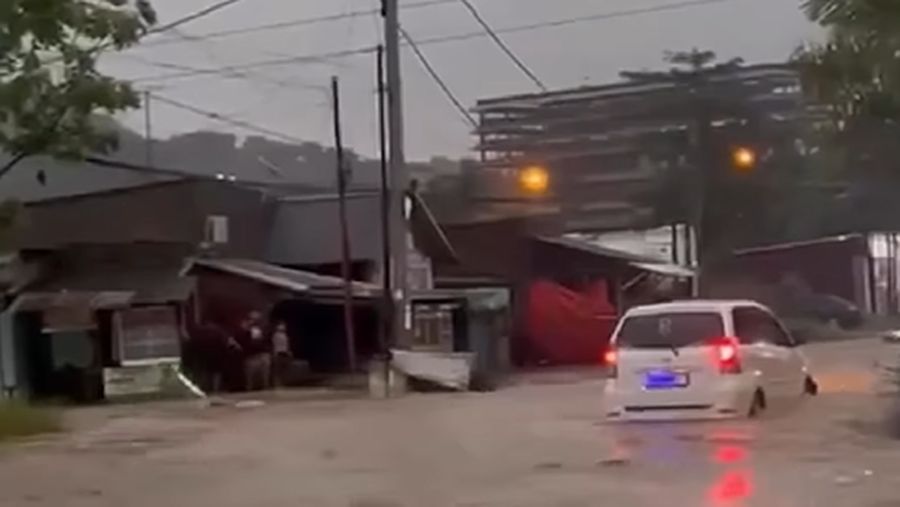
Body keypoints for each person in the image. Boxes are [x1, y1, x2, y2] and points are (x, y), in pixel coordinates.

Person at [235, 311, 271, 391]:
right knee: (250, 375)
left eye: (256, 319)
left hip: (261, 353)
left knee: (264, 373)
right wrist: (245, 330)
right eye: (252, 319)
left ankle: (265, 386)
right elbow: (241, 340)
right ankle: (250, 387)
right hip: (251, 355)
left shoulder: (263, 329)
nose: (254, 321)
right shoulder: (244, 330)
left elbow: (266, 339)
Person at [270, 321, 293, 388]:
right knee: (277, 370)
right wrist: (274, 353)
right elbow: (274, 344)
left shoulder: (285, 335)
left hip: (285, 353)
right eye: (281, 325)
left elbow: (286, 344)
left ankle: (283, 382)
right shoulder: (275, 335)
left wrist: (289, 351)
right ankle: (276, 384)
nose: (283, 327)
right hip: (278, 353)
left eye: (283, 325)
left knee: (284, 369)